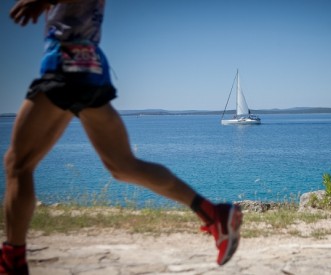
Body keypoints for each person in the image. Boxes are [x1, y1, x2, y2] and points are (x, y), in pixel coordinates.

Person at [1, 0, 242, 274]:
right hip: (91, 68)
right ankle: (213, 213)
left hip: (64, 63)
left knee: (18, 164)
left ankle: (12, 263)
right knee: (123, 165)